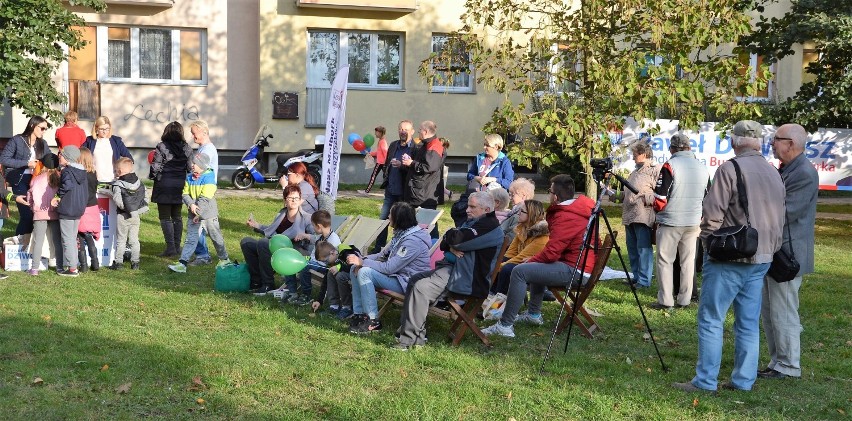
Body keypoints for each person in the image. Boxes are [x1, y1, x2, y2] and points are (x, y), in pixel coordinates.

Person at [673, 120, 785, 393]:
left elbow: (711, 216)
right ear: (759, 143)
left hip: (730, 257)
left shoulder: (730, 169)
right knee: (748, 323)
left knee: (711, 319)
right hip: (763, 257)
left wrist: (708, 243)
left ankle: (705, 381)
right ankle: (744, 380)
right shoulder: (774, 173)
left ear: (734, 141)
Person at [482, 174, 596, 338]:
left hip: (576, 269)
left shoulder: (567, 215)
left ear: (555, 196)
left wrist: (532, 259)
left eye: (549, 191)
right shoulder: (578, 209)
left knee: (520, 271)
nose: (548, 194)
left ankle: (505, 325)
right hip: (579, 264)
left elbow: (551, 253)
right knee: (532, 267)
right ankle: (533, 314)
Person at [394, 191, 503, 350]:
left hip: (467, 277)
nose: (467, 210)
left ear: (487, 209)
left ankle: (410, 340)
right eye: (468, 206)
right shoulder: (475, 221)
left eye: (472, 207)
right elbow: (446, 241)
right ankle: (411, 331)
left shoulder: (489, 226)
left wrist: (452, 241)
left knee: (422, 287)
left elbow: (456, 239)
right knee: (415, 279)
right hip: (453, 269)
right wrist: (451, 244)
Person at [759, 123, 819, 380]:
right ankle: (778, 361)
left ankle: (789, 365)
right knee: (770, 311)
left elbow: (787, 212)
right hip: (776, 251)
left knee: (783, 311)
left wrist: (755, 213)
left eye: (776, 140)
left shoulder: (804, 172)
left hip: (788, 255)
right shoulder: (789, 169)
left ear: (791, 143)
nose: (772, 144)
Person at [346, 202, 433, 334]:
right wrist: (361, 260)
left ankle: (373, 321)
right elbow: (382, 255)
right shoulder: (402, 234)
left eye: (390, 215)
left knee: (364, 272)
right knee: (355, 269)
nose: (387, 216)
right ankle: (359, 315)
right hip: (398, 276)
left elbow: (389, 268)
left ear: (398, 219)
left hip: (408, 282)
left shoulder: (413, 241)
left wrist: (362, 263)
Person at [650, 133, 709, 309]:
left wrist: (654, 209)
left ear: (672, 149)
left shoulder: (670, 165)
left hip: (671, 221)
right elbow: (707, 197)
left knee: (665, 260)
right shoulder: (702, 167)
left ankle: (666, 300)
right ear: (689, 148)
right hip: (693, 222)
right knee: (688, 261)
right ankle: (685, 299)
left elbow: (660, 197)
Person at [240, 185, 313, 294]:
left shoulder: (307, 218)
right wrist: (256, 225)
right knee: (246, 242)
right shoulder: (281, 214)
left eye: (296, 198)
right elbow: (271, 230)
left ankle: (268, 284)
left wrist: (306, 236)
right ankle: (256, 280)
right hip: (275, 246)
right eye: (290, 198)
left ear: (300, 200)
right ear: (284, 200)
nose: (293, 201)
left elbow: (318, 237)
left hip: (293, 251)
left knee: (263, 243)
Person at [167, 152, 231, 273]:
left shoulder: (209, 178)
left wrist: (198, 213)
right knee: (190, 239)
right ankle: (182, 263)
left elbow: (204, 199)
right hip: (194, 213)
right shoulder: (189, 177)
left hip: (208, 215)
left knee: (215, 237)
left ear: (201, 165)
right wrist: (191, 204)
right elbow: (185, 193)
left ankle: (225, 259)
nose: (191, 165)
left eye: (194, 163)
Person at [0, 116, 52, 236]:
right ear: (33, 126)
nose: (44, 131)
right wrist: (26, 163)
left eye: (45, 129)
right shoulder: (17, 140)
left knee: (36, 215)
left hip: (37, 181)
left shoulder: (42, 143)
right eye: (42, 128)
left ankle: (30, 244)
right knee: (26, 215)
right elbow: (4, 159)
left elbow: (49, 158)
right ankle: (20, 244)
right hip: (19, 180)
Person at [150, 121, 194, 257]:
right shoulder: (186, 147)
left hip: (164, 184)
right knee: (177, 216)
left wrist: (153, 176)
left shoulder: (161, 146)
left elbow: (155, 167)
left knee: (165, 217)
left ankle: (170, 248)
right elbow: (190, 167)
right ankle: (176, 246)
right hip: (180, 184)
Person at [279, 210, 341, 305]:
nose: (312, 227)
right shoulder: (321, 236)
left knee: (304, 265)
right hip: (314, 261)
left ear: (319, 226)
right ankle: (292, 292)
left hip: (326, 266)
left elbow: (332, 260)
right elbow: (313, 238)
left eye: (313, 225)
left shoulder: (333, 239)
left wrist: (308, 261)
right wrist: (304, 236)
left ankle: (306, 295)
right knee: (292, 261)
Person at [489, 199, 549, 297]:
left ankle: (498, 300)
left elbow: (521, 258)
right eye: (519, 210)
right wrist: (498, 264)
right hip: (521, 262)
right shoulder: (522, 228)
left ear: (531, 214)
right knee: (500, 260)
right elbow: (510, 253)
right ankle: (490, 294)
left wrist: (497, 268)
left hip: (535, 266)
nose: (518, 213)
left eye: (522, 211)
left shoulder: (541, 236)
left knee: (506, 269)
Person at [621, 141, 659, 288]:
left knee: (643, 249)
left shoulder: (654, 170)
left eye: (634, 154)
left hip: (643, 215)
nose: (632, 157)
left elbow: (660, 193)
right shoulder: (634, 172)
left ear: (643, 154)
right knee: (632, 248)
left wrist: (645, 197)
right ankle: (636, 277)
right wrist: (618, 196)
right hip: (629, 215)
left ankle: (644, 280)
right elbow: (628, 192)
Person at [372, 120, 414, 253]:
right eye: (401, 129)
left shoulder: (415, 148)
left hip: (404, 192)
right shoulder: (393, 145)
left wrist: (402, 166)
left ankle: (398, 249)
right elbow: (386, 162)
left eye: (406, 130)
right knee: (383, 219)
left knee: (402, 221)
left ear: (412, 132)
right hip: (390, 189)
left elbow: (415, 170)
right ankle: (379, 248)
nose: (403, 132)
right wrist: (386, 172)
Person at [99, 157, 148, 270]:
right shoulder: (139, 183)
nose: (115, 173)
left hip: (122, 215)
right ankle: (135, 263)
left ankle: (119, 263)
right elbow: (145, 197)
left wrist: (124, 208)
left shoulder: (118, 184)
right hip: (135, 216)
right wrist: (136, 210)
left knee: (121, 239)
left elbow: (117, 199)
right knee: (134, 240)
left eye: (115, 171)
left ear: (119, 171)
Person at [51, 145, 89, 277]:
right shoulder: (83, 172)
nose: (59, 156)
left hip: (67, 208)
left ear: (66, 158)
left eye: (60, 154)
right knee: (72, 238)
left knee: (67, 239)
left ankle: (72, 268)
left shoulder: (67, 171)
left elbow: (67, 185)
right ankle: (74, 264)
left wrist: (57, 196)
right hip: (78, 208)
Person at [187, 120, 218, 266]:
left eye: (194, 133)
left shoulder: (207, 151)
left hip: (203, 193)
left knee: (200, 223)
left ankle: (203, 255)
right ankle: (203, 253)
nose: (193, 136)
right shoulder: (203, 148)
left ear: (204, 132)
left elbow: (202, 172)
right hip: (199, 191)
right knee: (200, 223)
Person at [403, 121, 444, 228]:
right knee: (419, 223)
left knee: (427, 224)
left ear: (425, 131)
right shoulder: (426, 144)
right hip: (420, 191)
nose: (418, 132)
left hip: (425, 194)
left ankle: (434, 243)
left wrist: (412, 163)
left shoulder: (434, 146)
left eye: (420, 130)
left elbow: (429, 167)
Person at [26, 153, 62, 276]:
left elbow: (29, 195)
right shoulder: (61, 177)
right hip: (56, 213)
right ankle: (59, 267)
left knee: (38, 241)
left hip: (39, 213)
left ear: (43, 164)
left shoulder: (37, 179)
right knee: (57, 241)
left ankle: (34, 268)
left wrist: (33, 208)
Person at [82, 116, 133, 183]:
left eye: (107, 129)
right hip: (95, 180)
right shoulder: (89, 141)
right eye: (102, 129)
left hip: (113, 179)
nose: (105, 131)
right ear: (96, 128)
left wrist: (122, 171)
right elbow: (80, 156)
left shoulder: (116, 141)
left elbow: (129, 158)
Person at [76, 148, 101, 272]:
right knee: (89, 234)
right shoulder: (93, 173)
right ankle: (95, 262)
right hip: (93, 206)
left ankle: (83, 265)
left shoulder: (80, 175)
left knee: (79, 236)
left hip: (82, 206)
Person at [360, 126, 389, 194]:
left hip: (381, 163)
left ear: (381, 133)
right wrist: (370, 153)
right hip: (383, 163)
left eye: (376, 132)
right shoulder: (381, 141)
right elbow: (379, 152)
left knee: (373, 176)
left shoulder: (382, 142)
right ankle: (388, 192)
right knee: (386, 177)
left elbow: (385, 152)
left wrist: (386, 163)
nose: (375, 133)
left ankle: (366, 191)